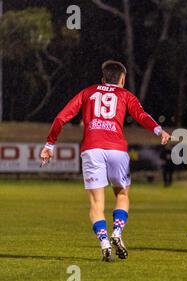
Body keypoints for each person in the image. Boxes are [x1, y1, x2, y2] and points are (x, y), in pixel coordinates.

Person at [40, 60, 171, 262]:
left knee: (96, 203)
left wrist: (49, 145)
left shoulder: (87, 92)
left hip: (92, 149)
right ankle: (117, 232)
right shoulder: (125, 95)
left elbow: (60, 118)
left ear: (103, 79)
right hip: (117, 150)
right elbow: (141, 115)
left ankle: (104, 243)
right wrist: (158, 130)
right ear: (123, 79)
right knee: (122, 193)